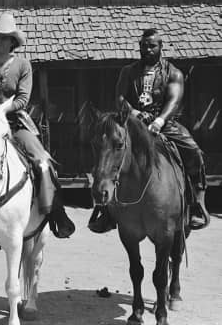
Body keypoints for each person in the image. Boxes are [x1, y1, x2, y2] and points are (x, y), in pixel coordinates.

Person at [0, 12, 75, 239]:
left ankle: (54, 212)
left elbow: (22, 99)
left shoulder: (23, 65)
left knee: (43, 161)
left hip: (14, 123)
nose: (0, 41)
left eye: (5, 38)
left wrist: (0, 110)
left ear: (13, 42)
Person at [88, 28, 210, 233]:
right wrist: (134, 113)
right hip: (132, 123)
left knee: (194, 152)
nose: (147, 50)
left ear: (161, 47)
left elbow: (174, 99)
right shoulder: (128, 71)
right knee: (109, 150)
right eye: (144, 46)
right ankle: (106, 210)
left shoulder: (173, 73)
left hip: (165, 123)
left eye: (152, 46)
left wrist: (160, 121)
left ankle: (196, 203)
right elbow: (119, 97)